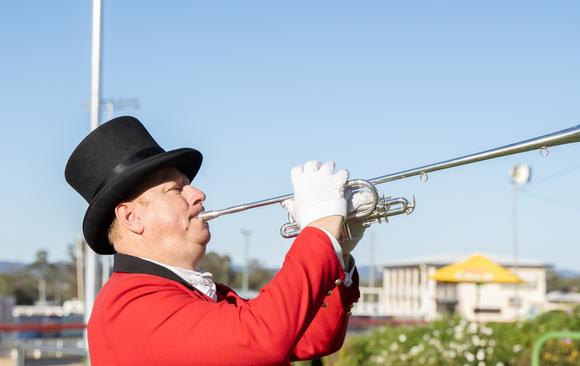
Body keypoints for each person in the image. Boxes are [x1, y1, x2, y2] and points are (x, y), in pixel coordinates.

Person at [65, 116, 368, 365]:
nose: (198, 194)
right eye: (176, 189)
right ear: (132, 218)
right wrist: (319, 228)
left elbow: (309, 340)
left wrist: (336, 250)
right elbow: (263, 338)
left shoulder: (191, 292)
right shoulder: (129, 306)